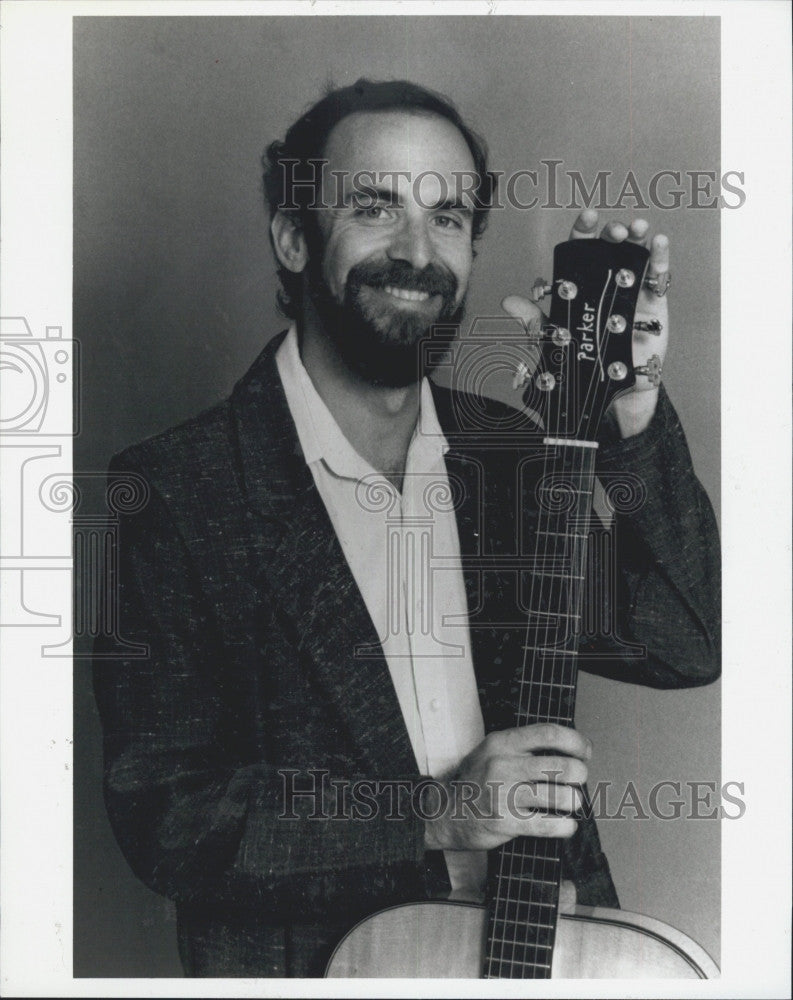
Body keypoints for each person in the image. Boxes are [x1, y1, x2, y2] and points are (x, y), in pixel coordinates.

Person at [93, 79, 720, 977]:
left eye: (451, 216)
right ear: (293, 236)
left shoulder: (504, 455)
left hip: (548, 958)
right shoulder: (175, 492)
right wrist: (433, 811)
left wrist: (632, 418)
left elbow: (684, 643)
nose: (418, 252)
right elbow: (171, 820)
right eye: (375, 207)